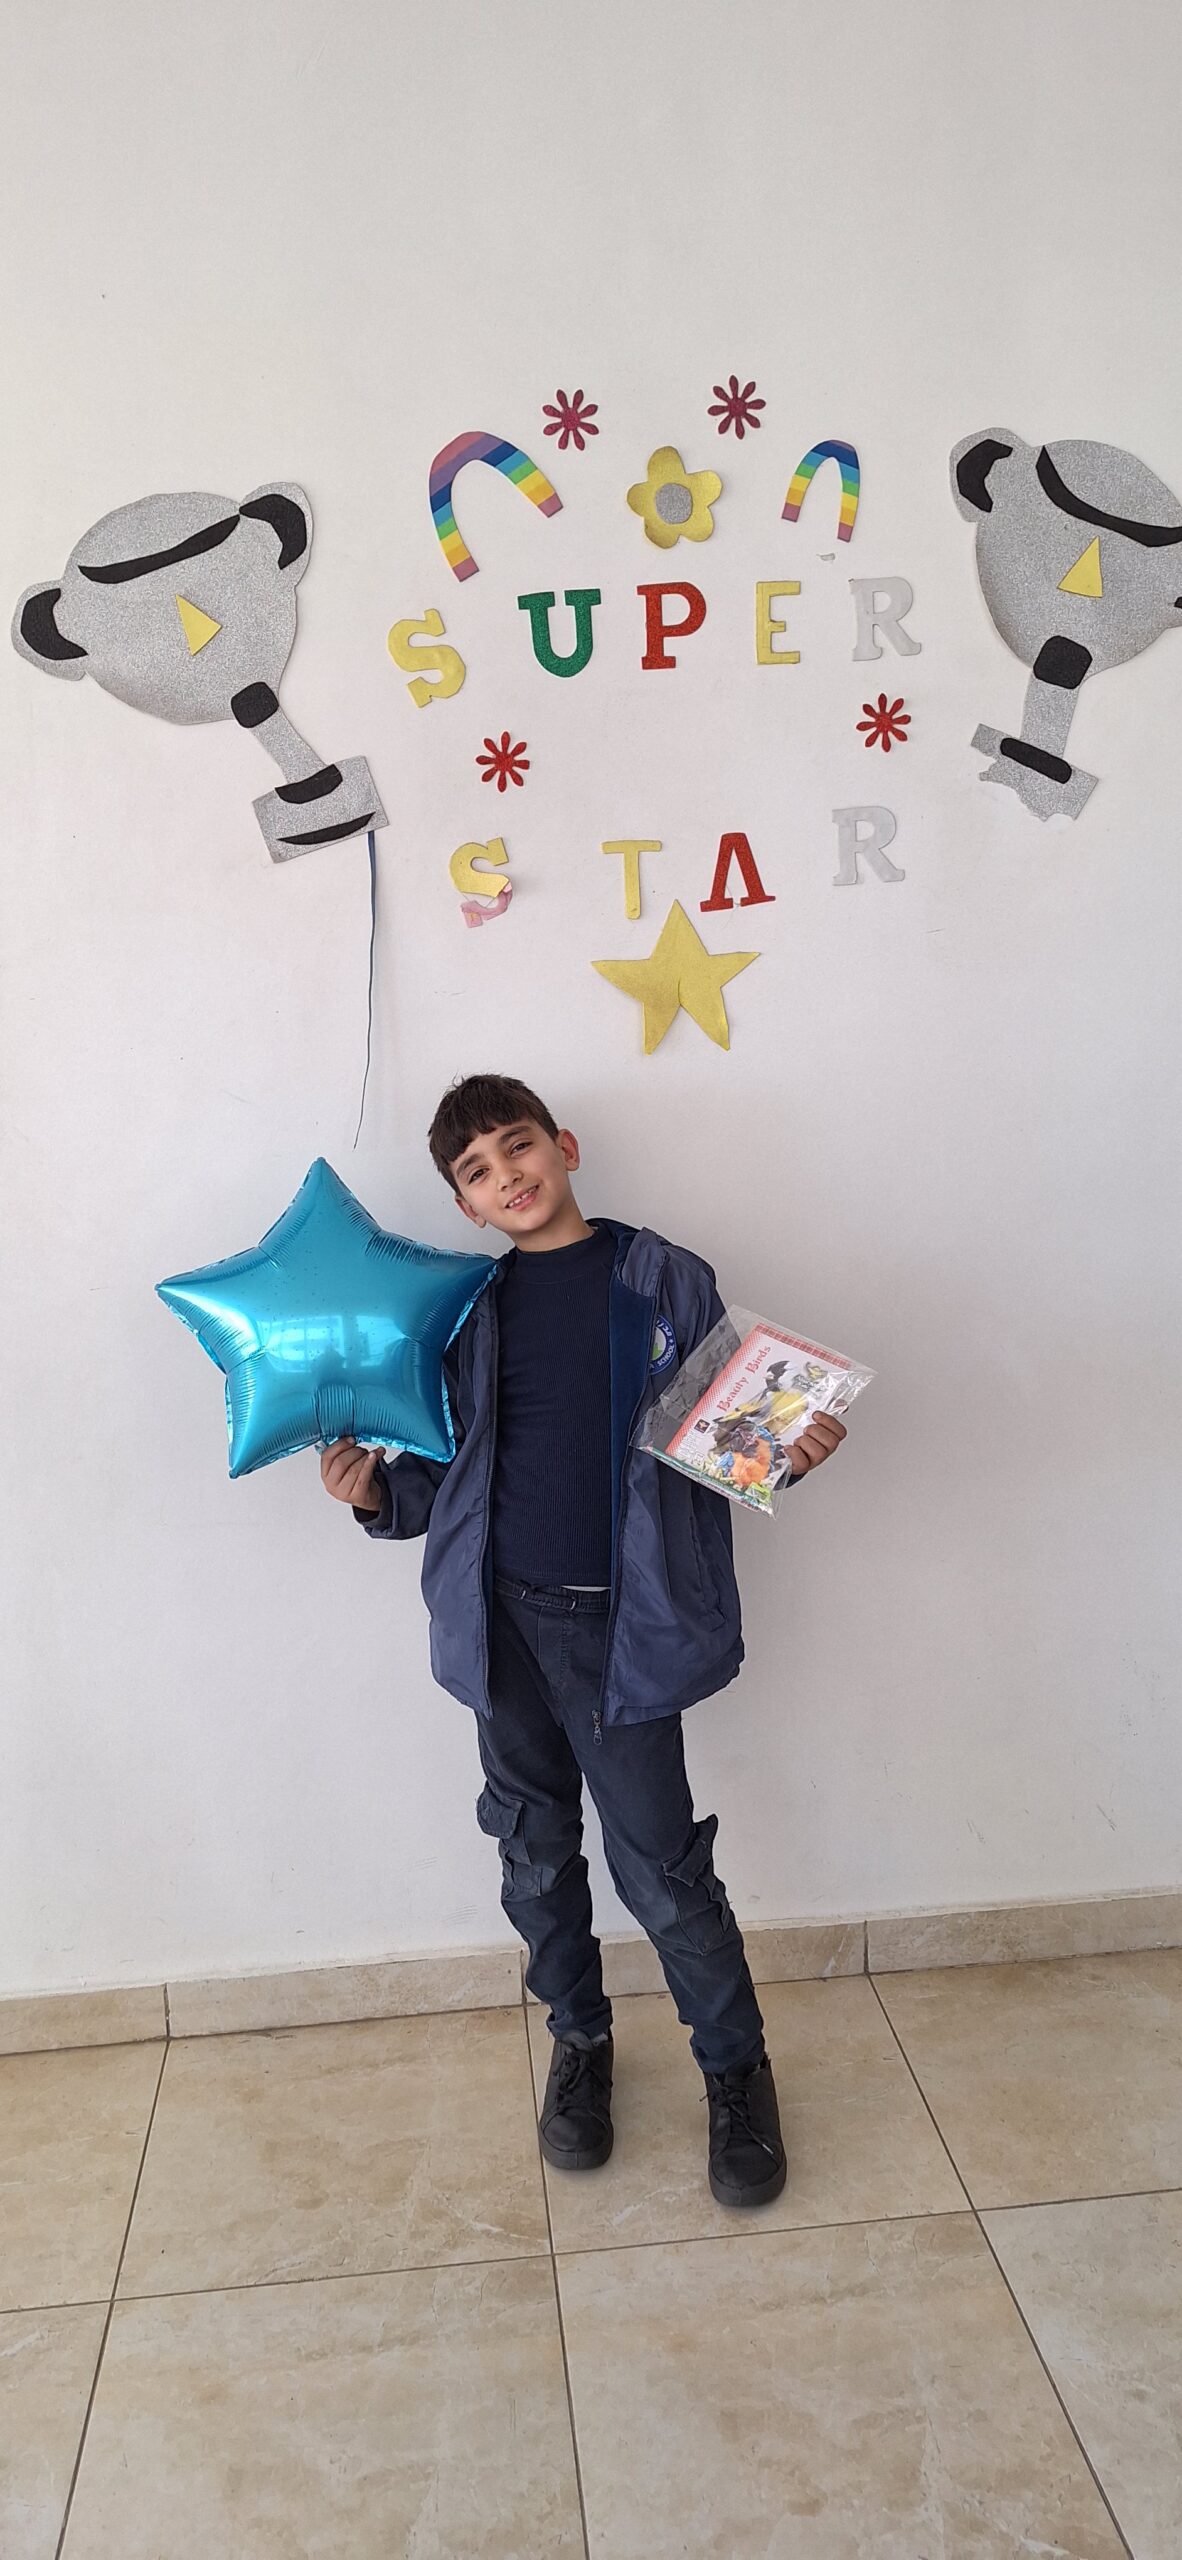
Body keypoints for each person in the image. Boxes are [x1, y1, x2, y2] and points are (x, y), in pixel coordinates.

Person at [320, 1074, 847, 2206]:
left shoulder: (663, 1276)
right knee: (533, 1851)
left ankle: (736, 2072)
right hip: (498, 1626)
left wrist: (787, 1453)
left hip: (623, 1633)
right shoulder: (469, 1308)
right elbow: (445, 1470)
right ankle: (581, 2041)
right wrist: (375, 1494)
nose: (506, 1176)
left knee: (664, 1868)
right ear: (464, 1205)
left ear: (563, 1146)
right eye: (478, 1171)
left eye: (518, 1148)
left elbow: (720, 1437)